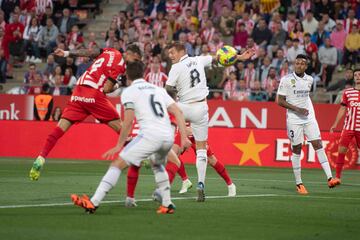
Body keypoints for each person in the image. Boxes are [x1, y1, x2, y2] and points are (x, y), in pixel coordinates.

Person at [71, 61, 191, 214]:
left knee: (117, 164)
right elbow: (178, 112)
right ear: (143, 73)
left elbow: (127, 122)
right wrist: (184, 138)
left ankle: (93, 202)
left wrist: (119, 144)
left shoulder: (129, 91)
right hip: (167, 136)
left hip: (149, 135)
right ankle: (167, 204)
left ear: (127, 75)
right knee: (158, 165)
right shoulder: (158, 89)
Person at [29, 45, 142, 181]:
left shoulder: (111, 51)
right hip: (94, 94)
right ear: (133, 54)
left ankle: (41, 157)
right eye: (137, 59)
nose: (136, 63)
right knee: (122, 128)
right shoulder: (120, 65)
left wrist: (66, 53)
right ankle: (142, 157)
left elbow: (89, 52)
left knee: (59, 128)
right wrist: (119, 85)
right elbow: (106, 89)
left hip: (78, 91)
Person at [165, 42, 254, 201]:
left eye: (172, 52)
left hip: (183, 108)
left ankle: (153, 148)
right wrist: (239, 57)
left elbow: (168, 89)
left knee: (167, 131)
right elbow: (218, 58)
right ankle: (200, 183)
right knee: (201, 150)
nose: (170, 56)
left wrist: (175, 94)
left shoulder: (176, 68)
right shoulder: (199, 60)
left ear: (181, 51)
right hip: (201, 108)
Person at [276, 54, 339, 195]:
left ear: (306, 66)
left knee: (318, 144)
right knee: (297, 148)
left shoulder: (310, 80)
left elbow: (304, 97)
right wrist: (298, 109)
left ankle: (330, 178)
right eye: (296, 63)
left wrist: (309, 112)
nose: (298, 65)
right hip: (293, 119)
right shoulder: (286, 80)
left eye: (302, 63)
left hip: (308, 119)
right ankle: (299, 183)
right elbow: (279, 101)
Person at [173, 126, 236, 196]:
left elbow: (197, 122)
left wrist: (189, 133)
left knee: (211, 160)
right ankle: (185, 181)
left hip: (196, 136)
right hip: (181, 134)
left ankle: (230, 185)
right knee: (173, 155)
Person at [330, 69, 360, 183]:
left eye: (359, 75)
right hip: (348, 127)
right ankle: (337, 177)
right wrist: (335, 124)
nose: (357, 77)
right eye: (356, 75)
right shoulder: (347, 92)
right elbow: (342, 108)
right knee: (341, 150)